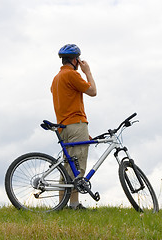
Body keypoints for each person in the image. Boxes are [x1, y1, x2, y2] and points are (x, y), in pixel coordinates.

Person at [50, 44, 97, 210]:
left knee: (67, 167)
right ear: (76, 60)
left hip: (64, 127)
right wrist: (88, 72)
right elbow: (92, 91)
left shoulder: (56, 78)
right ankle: (75, 205)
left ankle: (63, 205)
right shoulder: (72, 74)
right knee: (77, 167)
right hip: (75, 124)